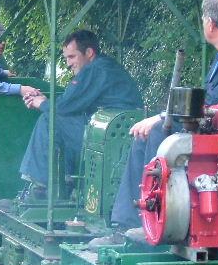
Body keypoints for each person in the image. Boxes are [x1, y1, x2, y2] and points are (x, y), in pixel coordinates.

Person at [109, 0, 218, 231]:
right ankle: (134, 221)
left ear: (211, 23)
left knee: (159, 132)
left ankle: (157, 221)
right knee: (148, 134)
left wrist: (162, 117)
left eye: (203, 19)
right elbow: (211, 106)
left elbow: (217, 107)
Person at [19, 29, 143, 191]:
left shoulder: (96, 69)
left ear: (89, 52)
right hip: (117, 133)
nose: (68, 63)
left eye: (72, 57)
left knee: (51, 118)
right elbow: (71, 103)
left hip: (113, 137)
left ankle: (42, 185)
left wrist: (42, 103)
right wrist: (45, 103)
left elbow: (64, 107)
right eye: (66, 58)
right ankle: (64, 178)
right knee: (57, 116)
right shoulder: (104, 66)